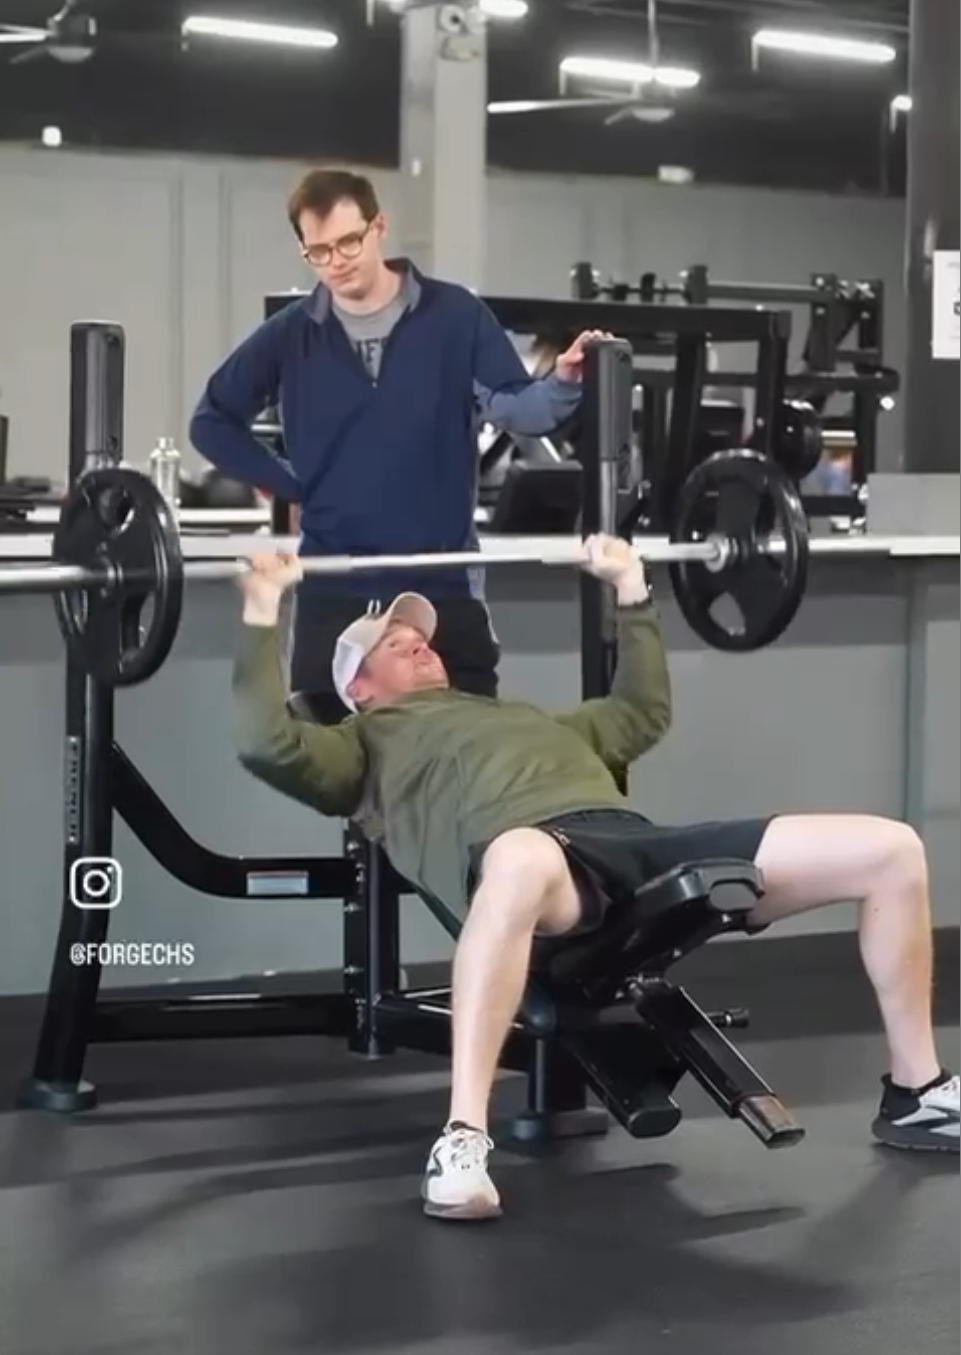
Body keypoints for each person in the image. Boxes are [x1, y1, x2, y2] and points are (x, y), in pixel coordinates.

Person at [231, 539, 960, 1221]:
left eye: (418, 635)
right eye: (394, 643)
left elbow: (641, 713)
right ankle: (461, 1139)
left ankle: (914, 1092)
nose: (417, 640)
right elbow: (264, 743)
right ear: (358, 686)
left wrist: (632, 591)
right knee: (517, 856)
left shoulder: (528, 718)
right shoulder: (361, 749)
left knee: (890, 849)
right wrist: (263, 607)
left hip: (636, 847)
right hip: (541, 869)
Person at [192, 166, 611, 719]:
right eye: (318, 251)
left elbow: (517, 408)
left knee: (466, 759)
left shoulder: (455, 316)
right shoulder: (291, 335)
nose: (336, 261)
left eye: (348, 241)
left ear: (378, 226)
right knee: (341, 771)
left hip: (442, 585)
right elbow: (212, 421)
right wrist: (291, 483)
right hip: (333, 587)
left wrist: (564, 382)